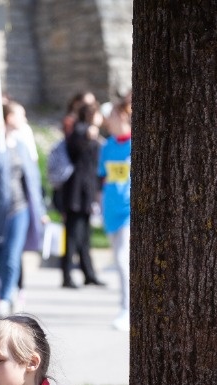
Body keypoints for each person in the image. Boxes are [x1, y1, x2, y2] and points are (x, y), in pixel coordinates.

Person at [0, 102, 45, 318]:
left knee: (13, 256)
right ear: (8, 117)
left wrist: (40, 210)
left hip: (19, 208)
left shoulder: (22, 145)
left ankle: (5, 297)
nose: (24, 118)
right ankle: (6, 288)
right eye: (20, 114)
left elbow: (33, 179)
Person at [61, 101, 105, 288]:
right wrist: (90, 138)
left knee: (84, 235)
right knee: (72, 235)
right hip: (76, 192)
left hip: (85, 191)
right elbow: (78, 156)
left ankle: (89, 273)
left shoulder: (87, 133)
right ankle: (67, 275)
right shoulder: (81, 132)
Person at [98, 102, 132, 331]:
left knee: (122, 260)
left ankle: (127, 310)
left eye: (112, 116)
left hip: (130, 211)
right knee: (119, 260)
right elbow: (103, 178)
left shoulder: (135, 144)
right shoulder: (108, 146)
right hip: (111, 211)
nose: (108, 121)